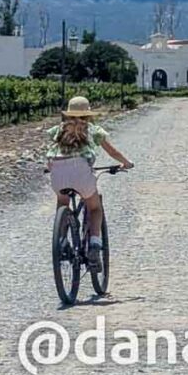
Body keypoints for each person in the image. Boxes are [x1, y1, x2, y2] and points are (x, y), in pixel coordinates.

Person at [47, 96, 134, 272]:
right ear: (88, 114)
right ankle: (94, 244)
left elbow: (53, 150)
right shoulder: (92, 130)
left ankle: (62, 239)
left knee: (62, 201)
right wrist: (126, 163)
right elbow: (112, 151)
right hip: (81, 173)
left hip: (57, 171)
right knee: (95, 207)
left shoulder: (58, 130)